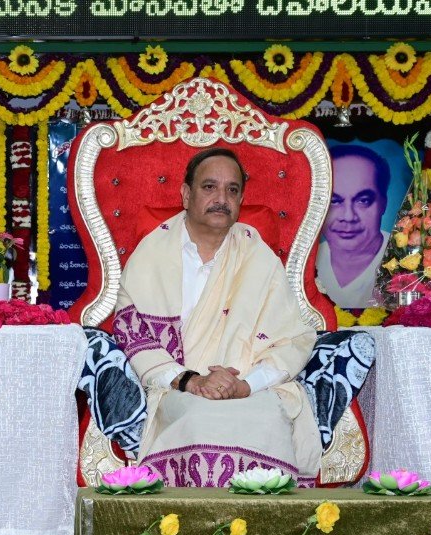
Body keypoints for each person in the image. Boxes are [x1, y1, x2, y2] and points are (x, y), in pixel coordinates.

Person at [113, 147, 322, 487]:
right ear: (186, 194)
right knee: (199, 420)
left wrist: (245, 385)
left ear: (241, 199)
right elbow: (132, 333)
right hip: (179, 390)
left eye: (232, 190)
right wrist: (191, 381)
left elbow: (293, 338)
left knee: (269, 419)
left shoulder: (258, 257)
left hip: (250, 391)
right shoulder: (150, 256)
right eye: (209, 187)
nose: (221, 199)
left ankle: (267, 521)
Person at [316, 144, 391, 308]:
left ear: (383, 204)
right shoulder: (303, 263)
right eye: (334, 201)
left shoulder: (408, 262)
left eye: (363, 200)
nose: (348, 217)